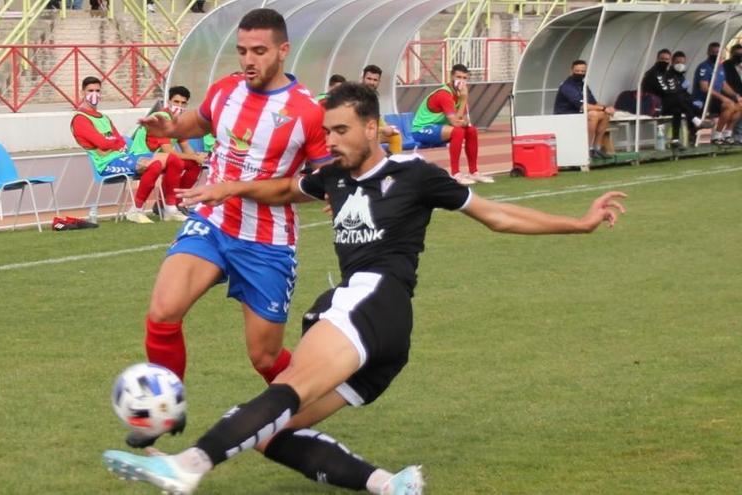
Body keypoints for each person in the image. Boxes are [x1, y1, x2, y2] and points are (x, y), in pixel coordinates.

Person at [103, 83, 628, 494]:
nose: (329, 141)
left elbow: (497, 216)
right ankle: (388, 483)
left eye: (340, 130)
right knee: (266, 432)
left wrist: (577, 224)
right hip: (379, 336)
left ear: (372, 127)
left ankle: (186, 468)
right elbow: (286, 188)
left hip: (374, 299)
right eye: (326, 131)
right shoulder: (332, 177)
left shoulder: (414, 173)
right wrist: (232, 185)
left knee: (282, 394)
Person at [125, 8, 332, 447]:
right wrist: (169, 126)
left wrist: (241, 186)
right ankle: (165, 411)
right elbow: (194, 123)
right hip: (213, 223)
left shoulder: (307, 112)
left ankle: (315, 397)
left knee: (265, 356)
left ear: (282, 50)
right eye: (242, 51)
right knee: (163, 312)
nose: (248, 60)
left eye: (259, 51)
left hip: (268, 243)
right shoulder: (225, 91)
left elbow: (318, 184)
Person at [70, 76, 164, 224]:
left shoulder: (104, 118)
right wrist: (112, 143)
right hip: (106, 164)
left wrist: (111, 143)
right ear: (82, 93)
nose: (94, 94)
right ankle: (137, 210)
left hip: (123, 157)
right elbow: (101, 142)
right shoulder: (80, 119)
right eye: (90, 91)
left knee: (167, 160)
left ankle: (169, 207)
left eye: (97, 91)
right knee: (152, 164)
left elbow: (119, 140)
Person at [135, 86, 209, 221]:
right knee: (177, 161)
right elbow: (169, 151)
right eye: (176, 102)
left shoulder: (178, 122)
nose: (179, 106)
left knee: (194, 164)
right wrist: (194, 156)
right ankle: (162, 206)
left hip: (164, 159)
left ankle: (172, 202)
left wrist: (197, 157)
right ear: (168, 102)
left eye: (183, 103)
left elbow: (186, 147)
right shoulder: (162, 118)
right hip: (143, 158)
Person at [411, 64, 492, 185]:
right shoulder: (445, 94)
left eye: (465, 78)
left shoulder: (459, 95)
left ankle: (474, 172)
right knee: (458, 131)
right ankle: (456, 174)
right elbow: (455, 122)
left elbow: (463, 119)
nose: (462, 81)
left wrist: (463, 119)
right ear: (451, 77)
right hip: (422, 129)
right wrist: (464, 99)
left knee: (471, 130)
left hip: (439, 128)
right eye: (458, 77)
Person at [641, 49, 713, 149]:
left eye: (667, 59)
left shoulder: (667, 74)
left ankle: (675, 140)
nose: (664, 62)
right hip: (653, 106)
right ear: (657, 59)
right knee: (679, 98)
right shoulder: (652, 74)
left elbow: (674, 90)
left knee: (678, 109)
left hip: (666, 104)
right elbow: (664, 92)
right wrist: (678, 93)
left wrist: (687, 98)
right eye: (662, 59)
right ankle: (696, 122)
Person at [553, 59, 615, 159]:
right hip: (565, 116)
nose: (580, 73)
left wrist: (608, 108)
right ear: (571, 71)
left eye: (582, 71)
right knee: (593, 115)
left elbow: (594, 103)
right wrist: (603, 108)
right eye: (577, 71)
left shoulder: (583, 85)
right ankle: (588, 148)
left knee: (605, 115)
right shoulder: (567, 86)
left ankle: (597, 147)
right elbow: (582, 106)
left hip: (577, 115)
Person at [692, 42, 742, 145]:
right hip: (703, 101)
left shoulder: (719, 66)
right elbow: (704, 88)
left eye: (717, 52)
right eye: (713, 52)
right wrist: (723, 98)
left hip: (715, 100)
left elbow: (724, 85)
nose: (715, 54)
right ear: (708, 53)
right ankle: (716, 135)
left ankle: (727, 134)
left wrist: (736, 95)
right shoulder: (704, 67)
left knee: (740, 105)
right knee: (729, 104)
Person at [360, 64, 402, 155]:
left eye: (375, 80)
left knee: (395, 135)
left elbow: (376, 118)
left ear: (379, 81)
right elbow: (358, 124)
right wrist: (383, 129)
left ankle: (395, 163)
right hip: (358, 134)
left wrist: (388, 128)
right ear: (362, 78)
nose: (372, 82)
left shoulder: (374, 96)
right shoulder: (357, 97)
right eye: (369, 79)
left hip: (371, 132)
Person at [720, 44, 742, 145]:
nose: (739, 56)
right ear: (731, 54)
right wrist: (736, 96)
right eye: (737, 54)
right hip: (731, 96)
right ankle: (736, 135)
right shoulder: (726, 65)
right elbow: (724, 84)